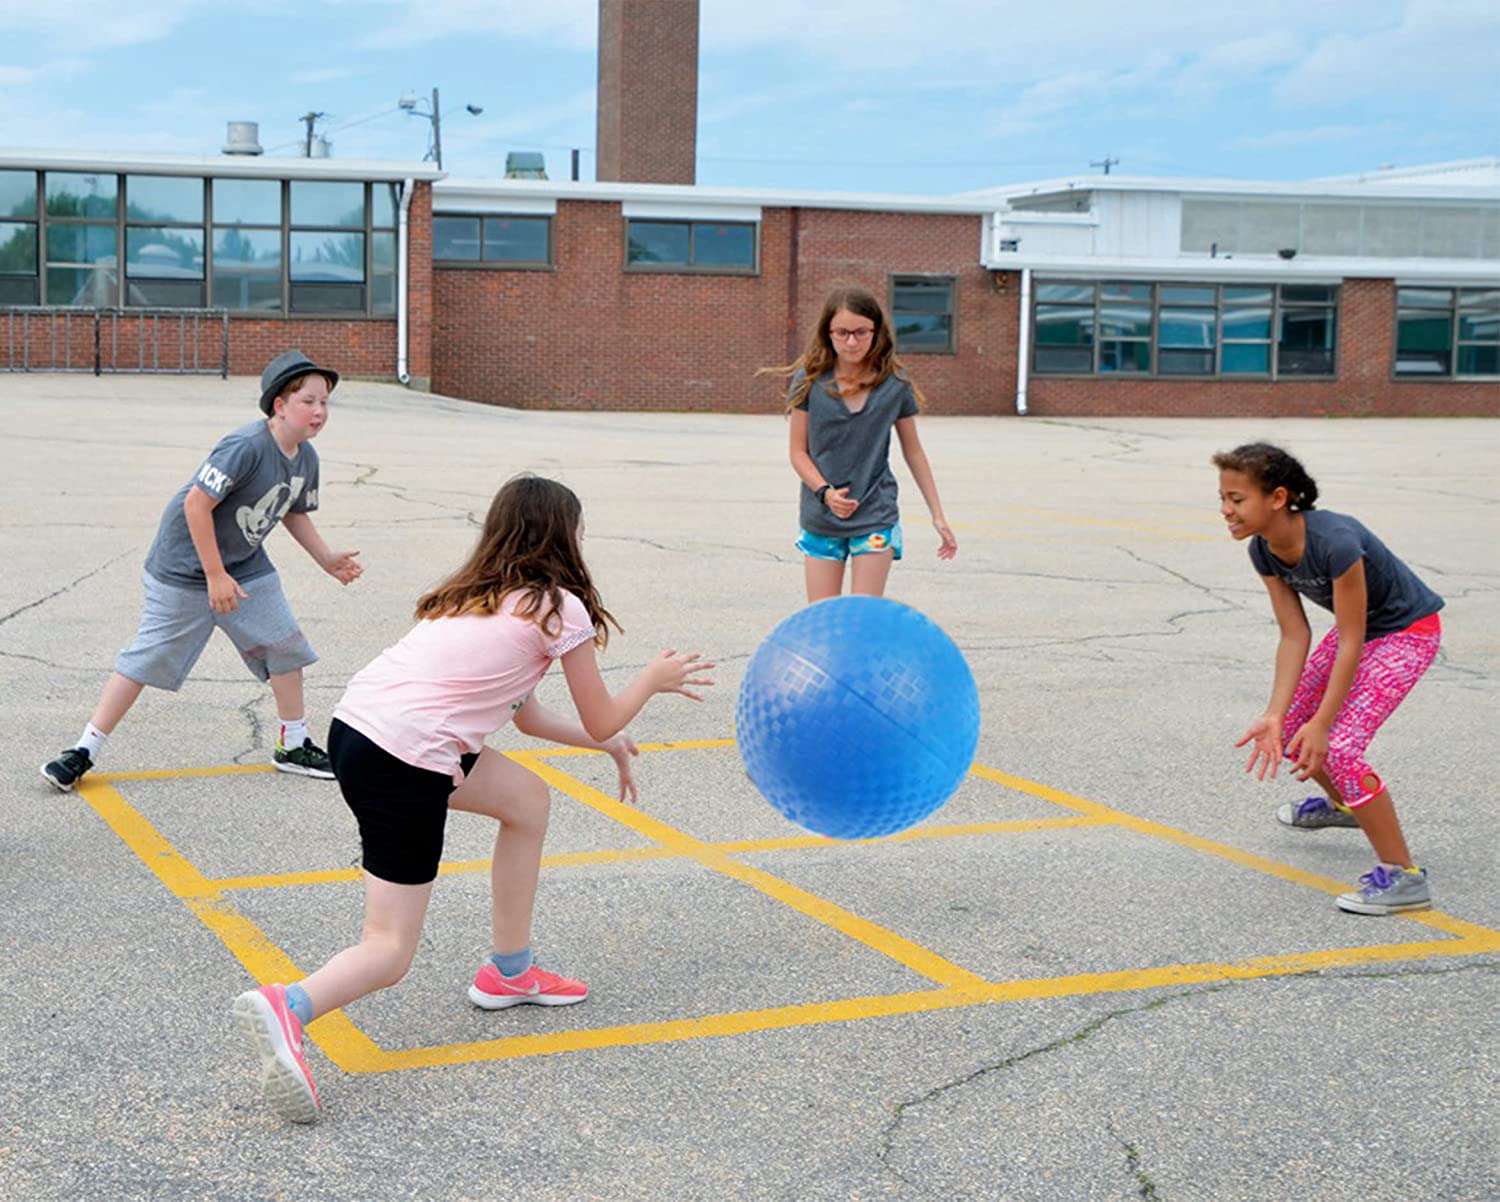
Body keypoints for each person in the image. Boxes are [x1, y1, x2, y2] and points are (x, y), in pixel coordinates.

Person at [232, 474, 714, 1123]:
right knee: (389, 950)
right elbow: (601, 714)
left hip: (357, 733)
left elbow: (530, 718)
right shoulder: (558, 608)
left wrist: (606, 746)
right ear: (561, 535)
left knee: (526, 800)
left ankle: (509, 971)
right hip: (406, 758)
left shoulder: (473, 597)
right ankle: (289, 1006)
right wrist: (651, 681)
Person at [40, 350, 361, 791]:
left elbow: (292, 510)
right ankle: (82, 750)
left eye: (325, 402)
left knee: (286, 647)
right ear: (279, 406)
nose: (320, 411)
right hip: (183, 570)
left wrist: (325, 559)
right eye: (309, 401)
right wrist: (214, 576)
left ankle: (293, 744)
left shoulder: (306, 459)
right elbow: (196, 503)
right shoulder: (246, 447)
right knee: (146, 658)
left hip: (244, 567)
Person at [1215, 442, 1444, 916]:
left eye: (1237, 499)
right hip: (1358, 636)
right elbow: (1294, 634)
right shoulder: (1263, 549)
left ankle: (1404, 877)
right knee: (1293, 732)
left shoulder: (1335, 541)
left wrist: (1323, 721)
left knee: (1335, 746)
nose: (1226, 510)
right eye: (1223, 499)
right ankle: (1346, 807)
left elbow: (1350, 638)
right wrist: (1275, 714)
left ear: (1277, 498)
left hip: (1405, 633)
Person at [762, 285, 956, 604]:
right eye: (842, 333)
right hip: (821, 516)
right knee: (826, 618)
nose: (852, 342)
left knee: (862, 618)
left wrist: (937, 514)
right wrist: (825, 492)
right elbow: (798, 451)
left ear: (876, 332)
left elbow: (914, 451)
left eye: (861, 332)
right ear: (829, 333)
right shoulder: (809, 380)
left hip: (875, 513)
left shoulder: (895, 383)